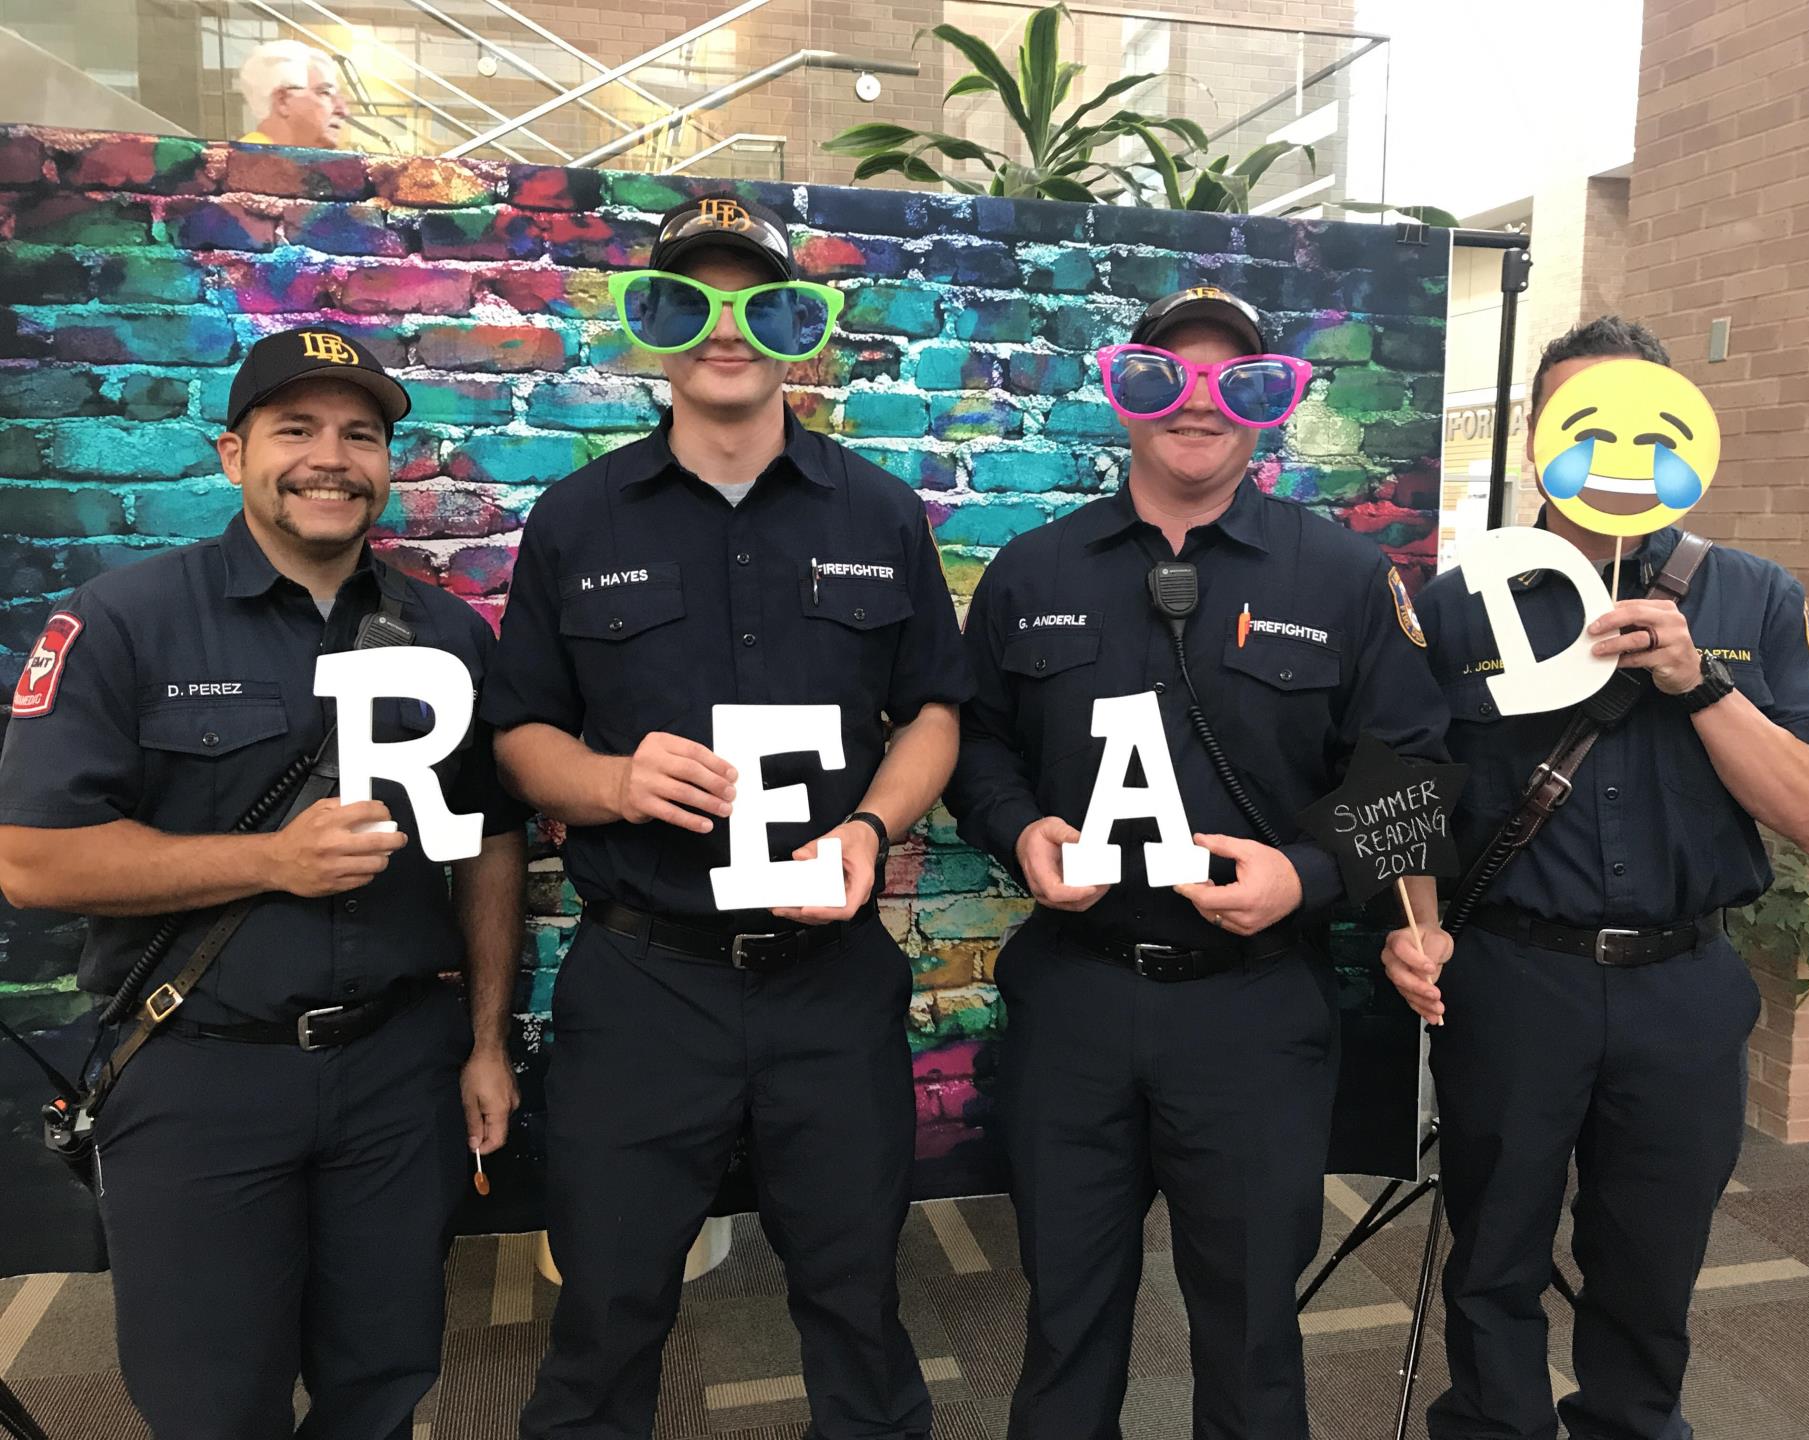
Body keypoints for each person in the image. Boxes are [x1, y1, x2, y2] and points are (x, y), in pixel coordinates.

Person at [482, 192, 970, 1440]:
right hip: (646, 977)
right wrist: (610, 782)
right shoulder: (579, 522)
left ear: (796, 326)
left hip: (828, 973)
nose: (725, 330)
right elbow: (522, 732)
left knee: (859, 1304)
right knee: (605, 1313)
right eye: (687, 300)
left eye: (758, 301)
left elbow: (933, 713)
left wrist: (871, 828)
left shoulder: (877, 513)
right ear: (653, 324)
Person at [0, 327, 528, 1440]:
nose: (329, 458)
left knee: (384, 1379)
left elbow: (486, 844)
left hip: (399, 1071)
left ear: (389, 462)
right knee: (209, 1402)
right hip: (198, 1076)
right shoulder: (121, 620)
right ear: (233, 454)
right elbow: (33, 862)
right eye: (295, 430)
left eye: (361, 434)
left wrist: (483, 1041)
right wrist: (270, 862)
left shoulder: (445, 634)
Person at [945, 285, 1452, 1440]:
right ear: (1128, 396)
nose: (1199, 405)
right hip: (1075, 991)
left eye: (1238, 382)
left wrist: (1307, 878)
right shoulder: (1035, 571)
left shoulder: (1340, 579)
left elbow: (1412, 771)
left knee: (1251, 1332)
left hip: (1253, 1009)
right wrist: (1017, 828)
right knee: (1067, 1322)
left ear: (1269, 408)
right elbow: (970, 738)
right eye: (1166, 376)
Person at [1382, 315, 1809, 1440]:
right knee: (1490, 1258)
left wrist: (1699, 682)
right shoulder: (1453, 603)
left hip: (1683, 987)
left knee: (1651, 1263)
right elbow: (1387, 790)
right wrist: (1413, 925)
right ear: (1538, 437)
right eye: (1582, 423)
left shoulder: (1752, 597)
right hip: (1510, 979)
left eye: (1646, 426)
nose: (1618, 454)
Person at [236, 39, 349, 148]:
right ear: (283, 100)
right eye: (326, 93)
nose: (343, 111)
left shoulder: (288, 163)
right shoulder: (242, 162)